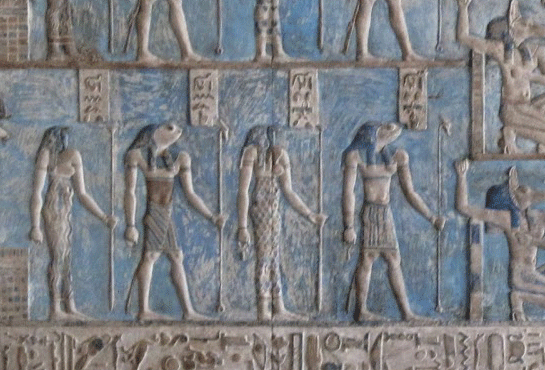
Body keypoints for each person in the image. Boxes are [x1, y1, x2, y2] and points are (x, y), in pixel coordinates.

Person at [340, 121, 444, 322]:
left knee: (392, 259)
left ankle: (406, 312)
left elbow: (410, 193)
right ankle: (362, 310)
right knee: (368, 258)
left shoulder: (398, 156)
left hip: (385, 213)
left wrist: (431, 217)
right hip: (370, 213)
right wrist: (348, 226)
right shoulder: (355, 156)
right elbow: (348, 193)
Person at [122, 122, 223, 321]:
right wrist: (130, 225)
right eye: (169, 128)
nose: (177, 131)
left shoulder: (180, 158)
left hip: (166, 213)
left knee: (175, 256)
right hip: (154, 212)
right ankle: (143, 310)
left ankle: (188, 311)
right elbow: (130, 192)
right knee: (150, 256)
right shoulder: (136, 156)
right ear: (154, 132)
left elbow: (190, 194)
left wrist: (212, 216)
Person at [455, 160, 545, 321]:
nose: (526, 190)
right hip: (521, 275)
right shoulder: (506, 218)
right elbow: (463, 208)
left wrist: (532, 241)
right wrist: (462, 176)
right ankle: (520, 297)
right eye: (520, 191)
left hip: (534, 273)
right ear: (510, 200)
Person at [456, 0, 545, 154]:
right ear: (510, 29)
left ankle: (536, 137)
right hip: (513, 110)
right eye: (522, 22)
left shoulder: (536, 51)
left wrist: (527, 75)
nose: (529, 25)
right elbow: (463, 37)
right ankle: (519, 131)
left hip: (528, 106)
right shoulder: (499, 49)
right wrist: (463, 7)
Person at [235, 125, 323, 321]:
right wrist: (242, 226)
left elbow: (288, 191)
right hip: (260, 208)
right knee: (264, 258)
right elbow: (243, 192)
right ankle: (263, 308)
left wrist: (309, 215)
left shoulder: (281, 154)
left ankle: (279, 307)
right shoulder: (251, 152)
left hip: (274, 211)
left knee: (274, 258)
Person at [28, 126, 113, 320]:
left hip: (66, 209)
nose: (64, 140)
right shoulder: (45, 155)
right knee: (58, 256)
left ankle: (70, 306)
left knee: (66, 258)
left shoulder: (73, 155)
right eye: (61, 136)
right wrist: (35, 226)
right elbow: (37, 193)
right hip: (53, 208)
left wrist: (103, 217)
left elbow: (82, 194)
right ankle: (55, 309)